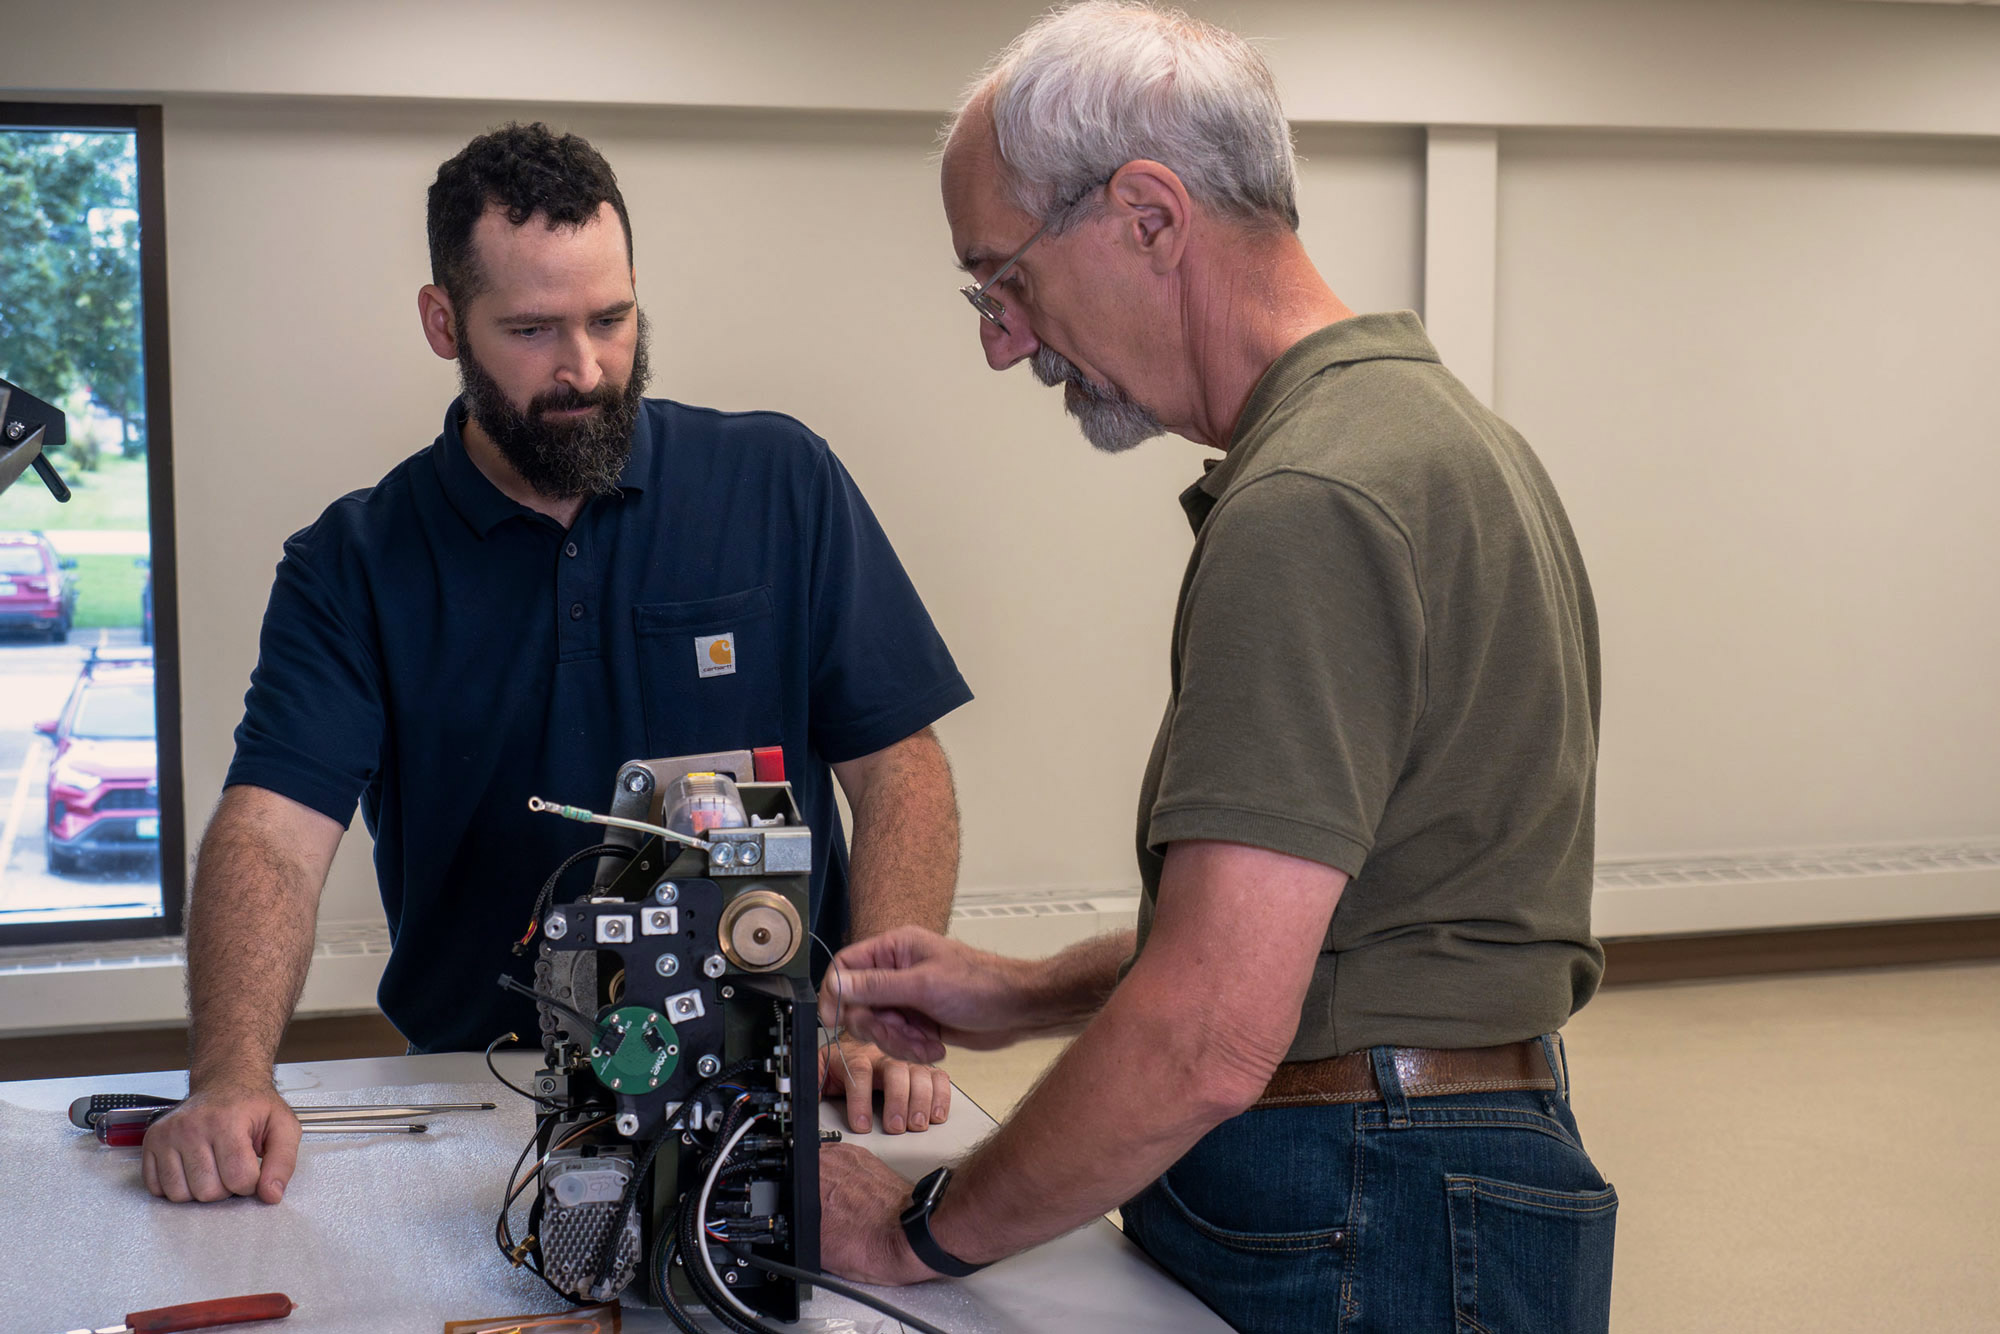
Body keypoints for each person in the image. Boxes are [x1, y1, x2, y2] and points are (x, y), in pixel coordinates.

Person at [815, 5, 1616, 1331]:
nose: (1002, 339)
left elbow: (1209, 1031)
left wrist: (919, 1229)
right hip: (1440, 1163)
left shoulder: (1314, 496)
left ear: (1146, 212)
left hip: (1366, 1196)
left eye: (1002, 279)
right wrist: (1027, 994)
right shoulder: (1437, 436)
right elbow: (1315, 921)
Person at [144, 124, 970, 1205]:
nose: (584, 367)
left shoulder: (779, 482)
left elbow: (899, 771)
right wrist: (230, 1074)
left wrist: (874, 1011)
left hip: (766, 1079)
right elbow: (271, 837)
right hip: (481, 1092)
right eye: (531, 329)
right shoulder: (352, 562)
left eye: (611, 318)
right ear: (444, 322)